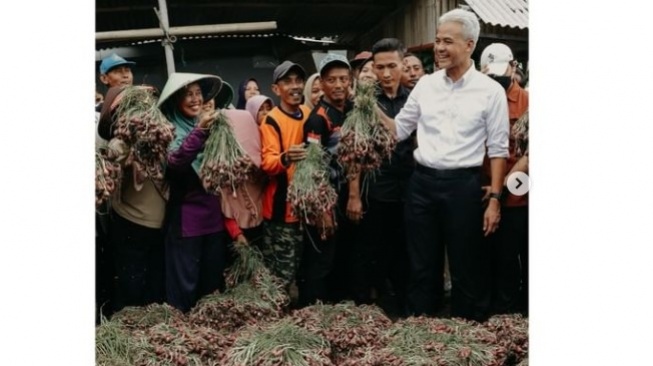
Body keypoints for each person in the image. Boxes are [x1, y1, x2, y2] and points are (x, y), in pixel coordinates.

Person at [376, 8, 509, 321]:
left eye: (447, 41)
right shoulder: (426, 86)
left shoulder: (490, 91)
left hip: (463, 186)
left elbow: (499, 149)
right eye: (437, 41)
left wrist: (494, 200)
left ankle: (466, 330)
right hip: (421, 184)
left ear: (469, 45)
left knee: (465, 263)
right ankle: (420, 328)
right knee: (422, 263)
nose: (439, 48)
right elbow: (399, 129)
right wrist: (369, 107)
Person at [349, 38, 414, 315]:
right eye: (380, 67)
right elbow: (354, 151)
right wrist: (354, 195)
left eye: (392, 66)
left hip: (412, 189)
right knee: (376, 251)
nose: (386, 74)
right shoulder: (364, 103)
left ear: (403, 65)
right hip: (376, 190)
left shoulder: (414, 99)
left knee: (407, 251)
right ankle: (378, 311)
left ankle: (406, 308)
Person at [157, 72, 230, 313]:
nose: (195, 99)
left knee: (210, 285)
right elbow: (175, 163)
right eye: (187, 94)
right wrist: (198, 131)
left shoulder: (213, 128)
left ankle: (206, 334)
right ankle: (181, 336)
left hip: (214, 221)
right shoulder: (168, 130)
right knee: (184, 287)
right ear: (176, 100)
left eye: (198, 93)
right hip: (186, 222)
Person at [97, 85, 168, 314]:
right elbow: (115, 153)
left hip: (159, 224)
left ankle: (148, 331)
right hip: (132, 224)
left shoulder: (157, 137)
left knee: (153, 284)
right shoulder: (122, 141)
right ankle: (126, 331)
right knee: (132, 286)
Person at [300, 53, 354, 306]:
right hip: (325, 198)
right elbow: (312, 166)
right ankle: (312, 311)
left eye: (343, 78)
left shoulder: (351, 111)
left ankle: (335, 309)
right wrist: (323, 208)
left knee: (341, 255)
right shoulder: (318, 118)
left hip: (345, 193)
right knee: (322, 258)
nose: (339, 84)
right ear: (321, 83)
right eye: (332, 80)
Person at [479, 42, 529, 315]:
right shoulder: (478, 98)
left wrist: (501, 188)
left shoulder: (529, 102)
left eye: (502, 70)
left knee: (512, 259)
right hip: (483, 192)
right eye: (491, 74)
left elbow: (529, 156)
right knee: (489, 260)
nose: (497, 78)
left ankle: (512, 317)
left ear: (513, 67)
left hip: (517, 195)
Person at [258, 61, 310, 296]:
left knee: (302, 268)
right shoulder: (271, 120)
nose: (295, 86)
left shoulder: (309, 114)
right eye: (287, 81)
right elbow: (268, 163)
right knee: (281, 274)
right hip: (281, 210)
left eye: (298, 80)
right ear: (276, 89)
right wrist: (286, 157)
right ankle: (274, 320)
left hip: (307, 208)